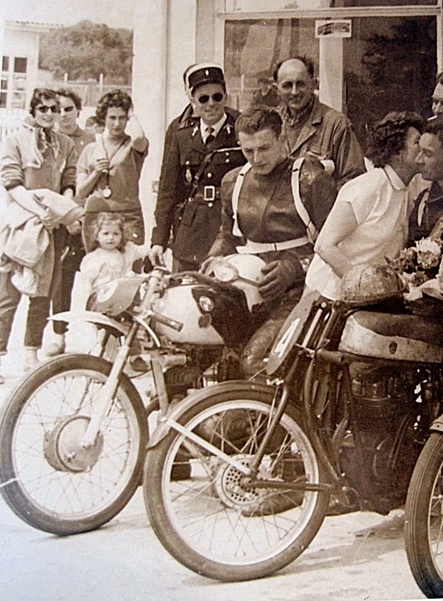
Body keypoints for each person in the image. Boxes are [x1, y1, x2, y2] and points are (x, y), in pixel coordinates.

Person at [203, 106, 336, 375]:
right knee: (212, 354)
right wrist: (214, 258)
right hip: (248, 290)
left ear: (282, 137)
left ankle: (277, 416)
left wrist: (296, 268)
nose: (256, 158)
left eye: (264, 148)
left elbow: (337, 244)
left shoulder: (309, 178)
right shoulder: (233, 181)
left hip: (300, 292)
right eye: (247, 150)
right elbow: (227, 236)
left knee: (255, 360)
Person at [0, 88, 78, 383]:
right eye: (43, 109)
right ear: (33, 111)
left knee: (42, 294)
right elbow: (12, 184)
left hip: (52, 224)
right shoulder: (14, 141)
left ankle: (31, 353)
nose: (50, 114)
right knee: (9, 293)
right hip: (21, 225)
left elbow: (69, 181)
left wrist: (58, 209)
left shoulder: (64, 144)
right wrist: (39, 211)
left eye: (54, 109)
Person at [305, 111, 424, 300]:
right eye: (417, 142)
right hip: (328, 296)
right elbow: (324, 246)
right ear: (397, 151)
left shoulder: (404, 189)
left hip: (364, 301)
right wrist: (362, 287)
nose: (424, 147)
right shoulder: (368, 187)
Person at [150, 64, 246, 271]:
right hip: (190, 233)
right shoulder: (181, 135)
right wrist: (159, 240)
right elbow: (168, 191)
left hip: (229, 231)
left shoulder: (241, 128)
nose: (211, 104)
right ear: (193, 101)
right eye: (203, 98)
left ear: (226, 97)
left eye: (217, 97)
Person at [45, 88, 96, 356]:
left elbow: (96, 182)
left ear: (79, 110)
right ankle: (59, 335)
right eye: (58, 109)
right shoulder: (50, 142)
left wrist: (82, 215)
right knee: (61, 280)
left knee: (100, 276)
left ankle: (106, 339)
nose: (63, 114)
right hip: (61, 220)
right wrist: (65, 216)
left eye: (68, 109)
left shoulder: (91, 140)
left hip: (88, 218)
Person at [273, 56, 365, 188]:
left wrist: (322, 199)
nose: (294, 92)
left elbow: (355, 180)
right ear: (277, 89)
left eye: (301, 84)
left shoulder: (336, 124)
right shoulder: (271, 123)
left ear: (313, 85)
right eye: (287, 85)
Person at [77, 90, 148, 250]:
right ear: (104, 118)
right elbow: (80, 192)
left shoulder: (133, 146)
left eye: (122, 118)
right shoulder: (90, 149)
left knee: (129, 268)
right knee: (98, 269)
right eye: (112, 118)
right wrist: (95, 172)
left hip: (128, 215)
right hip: (96, 216)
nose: (117, 123)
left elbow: (138, 137)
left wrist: (132, 114)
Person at [68, 213, 149, 352]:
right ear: (97, 235)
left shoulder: (126, 251)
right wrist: (84, 305)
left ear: (122, 235)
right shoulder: (94, 258)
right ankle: (101, 354)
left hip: (124, 299)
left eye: (116, 234)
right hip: (103, 301)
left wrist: (156, 247)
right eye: (105, 233)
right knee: (104, 331)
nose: (111, 238)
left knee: (134, 324)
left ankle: (135, 354)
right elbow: (87, 283)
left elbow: (143, 251)